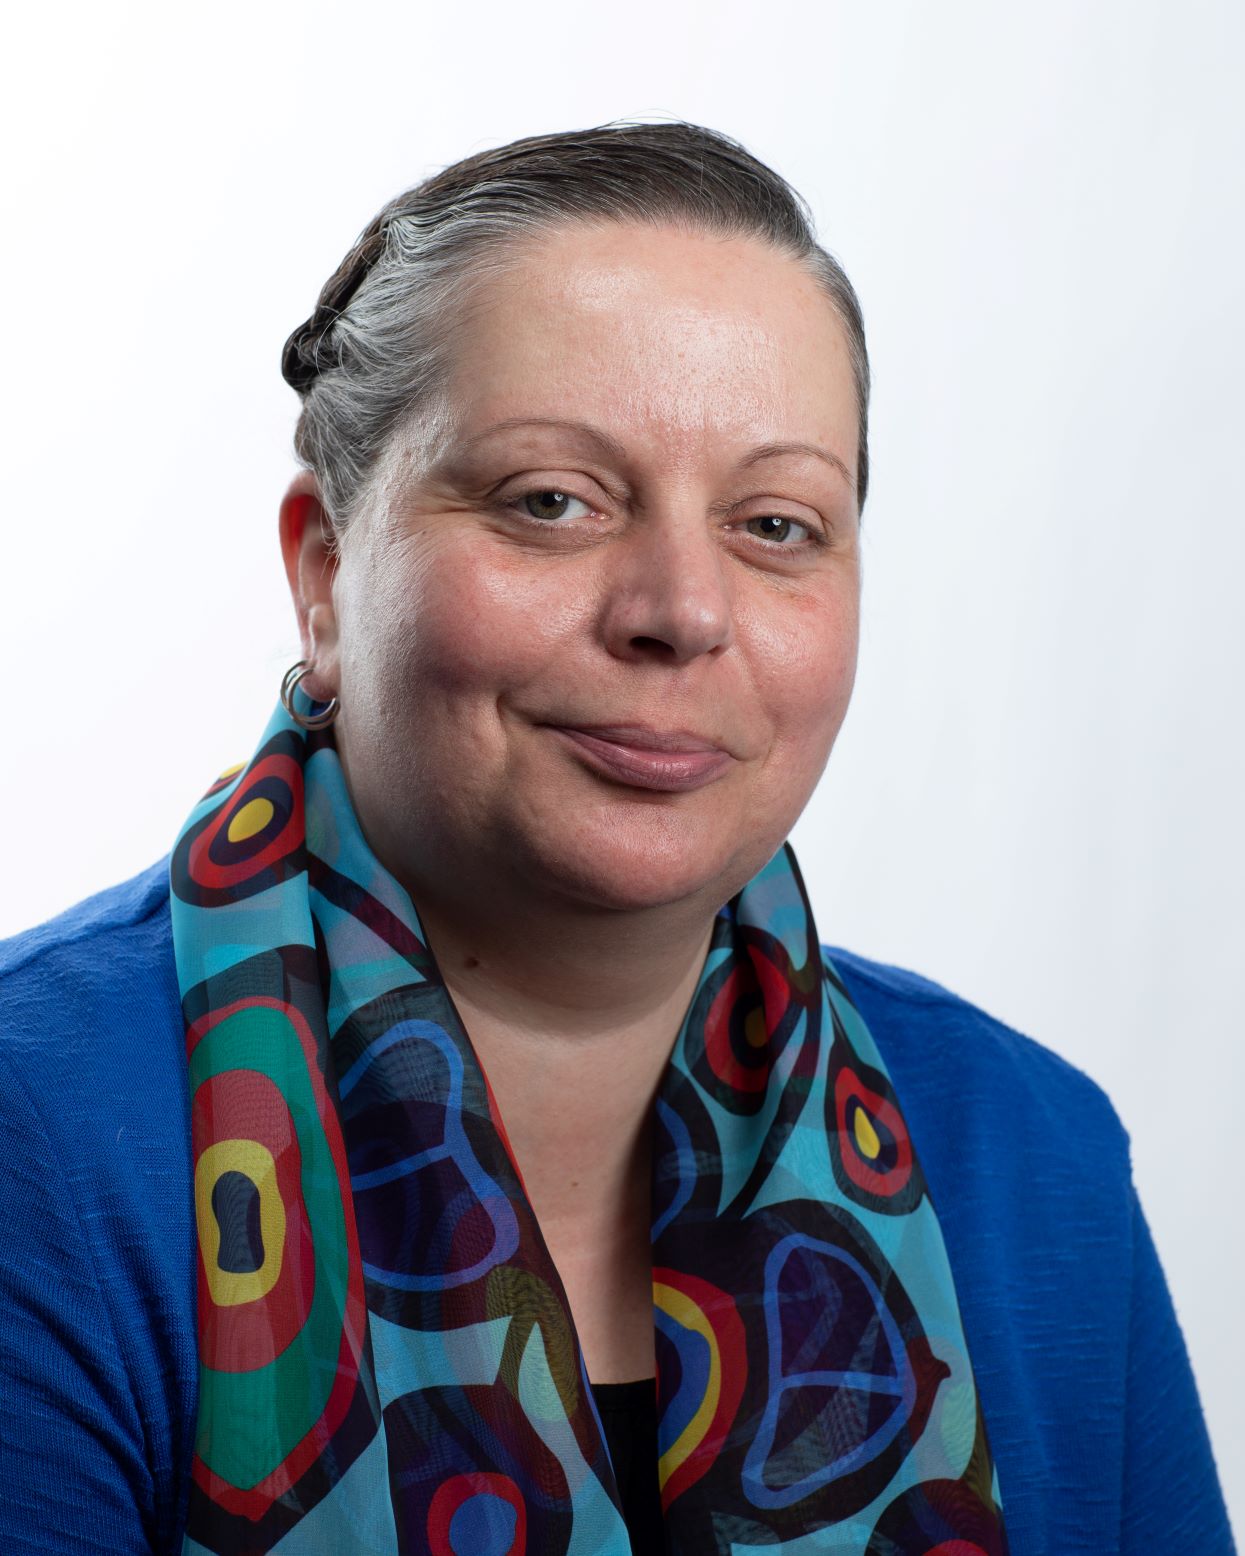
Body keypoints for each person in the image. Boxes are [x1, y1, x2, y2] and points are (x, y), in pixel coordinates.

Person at [0, 121, 1234, 1556]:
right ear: (326, 575)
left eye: (775, 523)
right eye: (551, 501)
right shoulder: (40, 1137)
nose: (679, 609)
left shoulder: (1030, 1154)